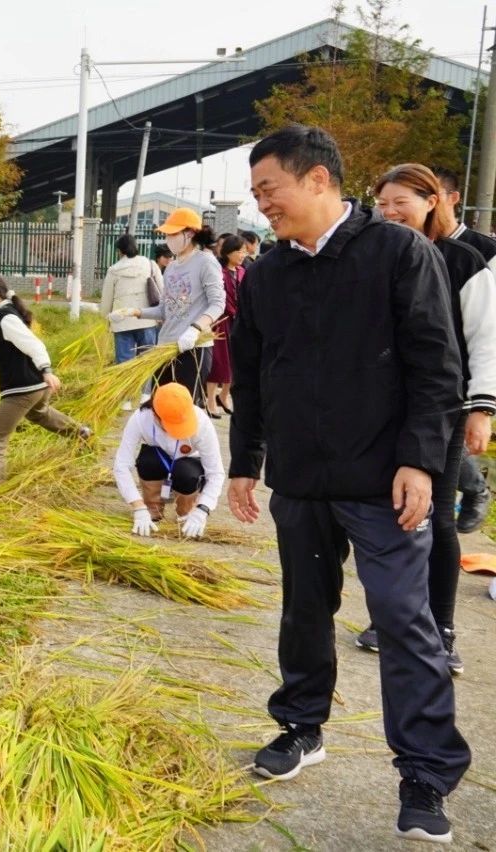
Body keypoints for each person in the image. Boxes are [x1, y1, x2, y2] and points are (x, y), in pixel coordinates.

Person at [229, 125, 469, 843]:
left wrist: (421, 460)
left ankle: (425, 773)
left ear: (318, 181)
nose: (261, 204)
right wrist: (246, 462)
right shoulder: (268, 274)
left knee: (403, 620)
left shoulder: (399, 253)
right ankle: (302, 727)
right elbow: (254, 375)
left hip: (382, 480)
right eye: (256, 193)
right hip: (302, 480)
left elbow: (436, 365)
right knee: (305, 611)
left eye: (268, 189)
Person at [352, 164, 496, 678]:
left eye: (401, 202)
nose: (390, 212)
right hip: (385, 408)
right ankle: (391, 619)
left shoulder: (465, 259)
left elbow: (483, 340)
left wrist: (482, 409)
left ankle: (443, 628)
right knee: (387, 511)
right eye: (382, 203)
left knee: (435, 516)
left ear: (433, 200)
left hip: (443, 407)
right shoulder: (374, 254)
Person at [0, 272, 89, 491]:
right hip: (34, 388)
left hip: (23, 388)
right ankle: (81, 432)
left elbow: (34, 345)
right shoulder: (4, 315)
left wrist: (47, 370)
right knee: (39, 413)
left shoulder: (6, 317)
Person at [434, 165, 496, 531]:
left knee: (447, 443)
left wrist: (483, 403)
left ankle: (475, 488)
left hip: (468, 372)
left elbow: (486, 327)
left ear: (451, 198)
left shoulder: (482, 252)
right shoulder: (410, 246)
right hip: (429, 370)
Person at [113, 208, 225, 406]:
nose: (168, 238)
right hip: (165, 347)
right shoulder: (172, 267)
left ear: (189, 233)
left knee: (182, 411)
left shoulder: (206, 262)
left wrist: (195, 329)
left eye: (172, 233)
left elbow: (218, 303)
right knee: (159, 407)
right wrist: (134, 312)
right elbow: (164, 310)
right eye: (166, 234)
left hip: (192, 348)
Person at [114, 383, 224, 538]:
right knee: (148, 460)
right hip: (158, 460)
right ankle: (152, 508)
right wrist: (137, 506)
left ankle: (186, 513)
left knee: (185, 473)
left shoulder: (202, 422)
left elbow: (216, 472)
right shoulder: (140, 418)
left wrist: (202, 509)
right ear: (155, 415)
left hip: (188, 464)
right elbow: (121, 465)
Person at [99, 235, 161, 372]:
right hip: (147, 321)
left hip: (122, 323)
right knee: (147, 363)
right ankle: (145, 393)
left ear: (120, 251)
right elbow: (162, 292)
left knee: (124, 366)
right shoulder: (150, 265)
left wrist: (107, 318)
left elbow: (106, 301)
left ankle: (127, 393)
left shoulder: (113, 270)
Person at [206, 234, 245, 419]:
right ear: (228, 253)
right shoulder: (219, 273)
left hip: (239, 322)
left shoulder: (243, 272)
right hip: (221, 322)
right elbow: (220, 298)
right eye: (239, 251)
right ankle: (211, 400)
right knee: (219, 361)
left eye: (244, 250)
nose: (242, 254)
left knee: (235, 361)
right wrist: (234, 312)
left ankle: (224, 395)